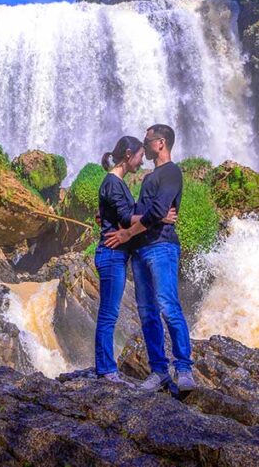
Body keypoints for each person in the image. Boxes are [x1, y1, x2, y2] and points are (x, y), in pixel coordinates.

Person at [105, 124, 195, 393]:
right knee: (147, 313)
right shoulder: (149, 178)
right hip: (141, 249)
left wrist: (127, 233)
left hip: (161, 247)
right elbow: (145, 211)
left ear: (161, 143)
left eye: (147, 141)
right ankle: (159, 372)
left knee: (169, 306)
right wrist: (111, 218)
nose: (143, 148)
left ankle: (184, 368)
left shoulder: (171, 172)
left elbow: (156, 210)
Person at [94, 135, 176, 384]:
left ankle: (107, 367)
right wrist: (160, 216)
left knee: (110, 312)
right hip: (111, 253)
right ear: (128, 154)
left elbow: (118, 214)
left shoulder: (116, 183)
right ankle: (106, 369)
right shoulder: (113, 182)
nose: (142, 162)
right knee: (108, 314)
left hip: (118, 254)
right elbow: (126, 216)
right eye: (140, 156)